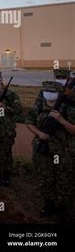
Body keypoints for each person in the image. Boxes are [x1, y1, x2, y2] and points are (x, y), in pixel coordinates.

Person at [26, 81, 75, 222]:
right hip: (43, 151)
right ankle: (49, 205)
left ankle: (62, 208)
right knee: (45, 179)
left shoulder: (68, 109)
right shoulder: (38, 107)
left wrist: (62, 121)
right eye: (46, 90)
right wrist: (39, 133)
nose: (49, 93)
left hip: (63, 153)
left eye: (52, 91)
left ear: (59, 94)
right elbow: (29, 122)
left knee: (63, 180)